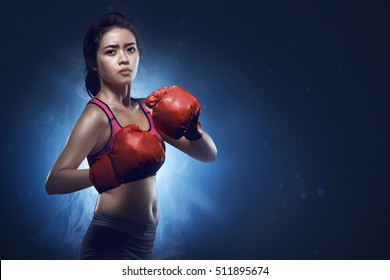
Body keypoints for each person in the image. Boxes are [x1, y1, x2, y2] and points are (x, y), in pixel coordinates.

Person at [45, 11, 217, 260]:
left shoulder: (150, 109)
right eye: (111, 51)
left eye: (130, 49)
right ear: (94, 61)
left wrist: (192, 129)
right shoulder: (97, 116)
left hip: (146, 242)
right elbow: (54, 182)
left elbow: (209, 154)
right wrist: (111, 170)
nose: (124, 59)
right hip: (109, 242)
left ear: (139, 55)